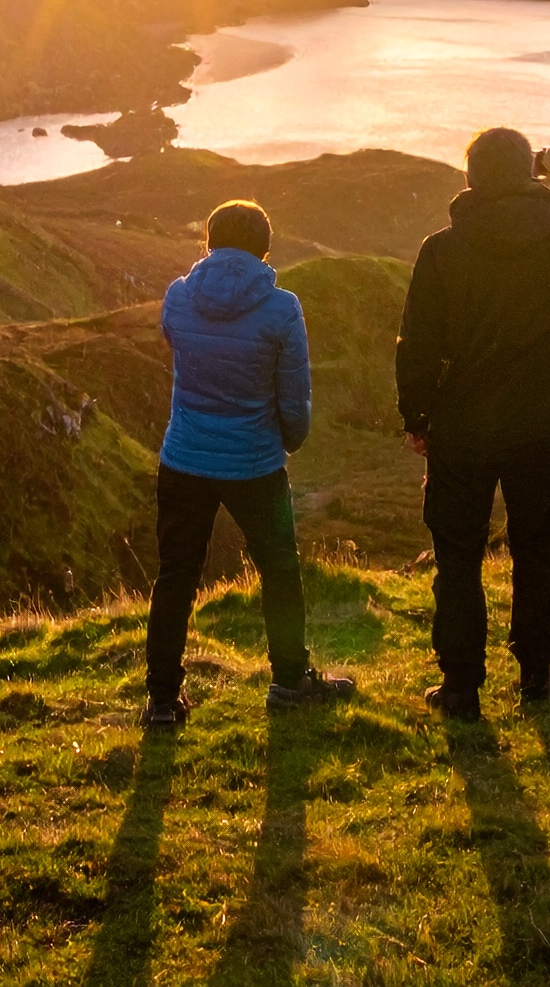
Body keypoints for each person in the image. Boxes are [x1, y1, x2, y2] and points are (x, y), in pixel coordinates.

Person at [397, 130, 550, 719]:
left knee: (458, 556)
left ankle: (461, 688)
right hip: (539, 423)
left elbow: (417, 344)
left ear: (470, 179)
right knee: (533, 549)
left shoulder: (441, 250)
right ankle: (536, 676)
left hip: (461, 428)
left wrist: (417, 418)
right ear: (530, 175)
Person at [142, 199, 357, 726]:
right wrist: (291, 440)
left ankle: (163, 700)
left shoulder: (177, 298)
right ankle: (289, 682)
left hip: (184, 458)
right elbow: (294, 395)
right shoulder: (282, 308)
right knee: (279, 571)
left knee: (175, 576)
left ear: (210, 241)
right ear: (265, 246)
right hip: (255, 462)